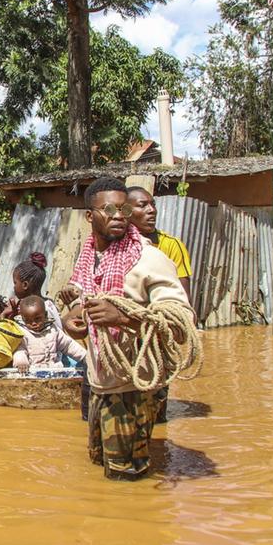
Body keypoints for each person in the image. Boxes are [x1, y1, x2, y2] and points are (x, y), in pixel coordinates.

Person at [57, 177, 193, 481]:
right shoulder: (90, 257)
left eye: (123, 210)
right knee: (99, 468)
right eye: (109, 209)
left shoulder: (149, 259)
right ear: (90, 216)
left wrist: (124, 318)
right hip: (100, 383)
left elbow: (182, 325)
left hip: (133, 388)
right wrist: (74, 320)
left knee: (126, 478)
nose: (118, 216)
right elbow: (91, 307)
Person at [125, 186, 194, 423]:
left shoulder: (171, 246)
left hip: (154, 333)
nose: (151, 210)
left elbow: (181, 298)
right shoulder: (113, 247)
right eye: (142, 205)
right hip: (123, 336)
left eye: (152, 204)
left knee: (156, 403)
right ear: (126, 211)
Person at [12, 295, 87, 373]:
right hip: (33, 372)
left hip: (55, 371)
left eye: (37, 319)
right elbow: (20, 350)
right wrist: (21, 363)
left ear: (45, 315)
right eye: (28, 321)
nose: (33, 323)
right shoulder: (23, 333)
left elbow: (68, 345)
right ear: (23, 319)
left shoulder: (53, 330)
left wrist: (84, 356)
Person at [6, 252, 62, 328]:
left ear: (25, 285)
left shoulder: (38, 309)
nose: (14, 287)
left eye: (15, 283)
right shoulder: (48, 303)